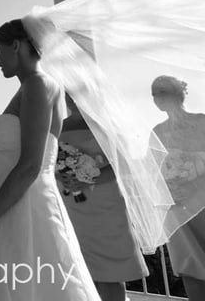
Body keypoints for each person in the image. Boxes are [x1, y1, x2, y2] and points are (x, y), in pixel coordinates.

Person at [0, 19, 100, 300]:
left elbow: (32, 164)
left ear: (16, 46)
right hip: (20, 202)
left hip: (28, 204)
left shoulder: (37, 84)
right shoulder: (38, 85)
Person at [56, 93, 147, 301]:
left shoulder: (106, 125)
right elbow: (50, 158)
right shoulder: (59, 125)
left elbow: (121, 165)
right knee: (81, 267)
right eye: (68, 95)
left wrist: (86, 179)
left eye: (76, 94)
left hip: (105, 201)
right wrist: (62, 175)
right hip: (73, 203)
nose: (71, 99)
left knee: (111, 271)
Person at [151, 75, 205, 300]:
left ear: (177, 94)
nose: (157, 98)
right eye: (155, 94)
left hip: (203, 199)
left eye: (162, 92)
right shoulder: (157, 131)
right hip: (176, 204)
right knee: (188, 262)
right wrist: (169, 187)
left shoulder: (202, 121)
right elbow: (152, 169)